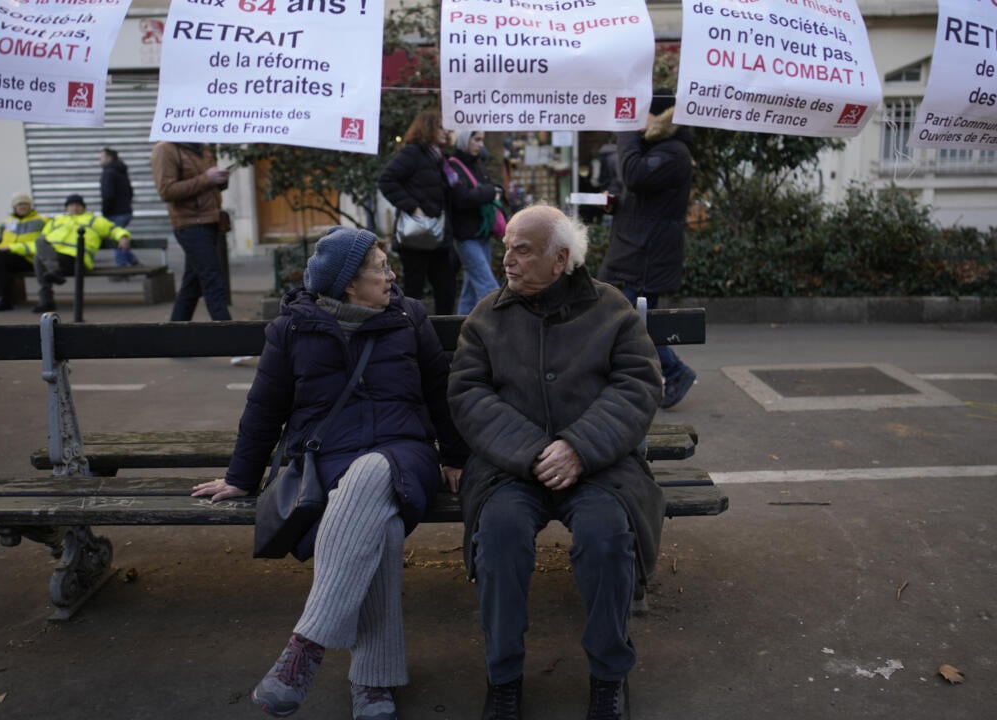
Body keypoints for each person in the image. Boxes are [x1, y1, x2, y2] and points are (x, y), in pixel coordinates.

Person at [192, 226, 467, 720]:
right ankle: (372, 682)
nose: (391, 276)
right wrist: (241, 475)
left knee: (371, 474)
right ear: (347, 285)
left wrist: (454, 455)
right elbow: (264, 407)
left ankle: (307, 644)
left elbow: (438, 388)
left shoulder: (408, 317)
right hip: (327, 458)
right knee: (377, 526)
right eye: (380, 269)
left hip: (404, 452)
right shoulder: (293, 327)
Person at [448, 206, 664, 720]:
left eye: (522, 249)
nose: (508, 260)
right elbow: (467, 393)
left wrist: (579, 447)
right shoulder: (487, 316)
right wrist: (531, 451)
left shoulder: (611, 310)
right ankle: (503, 677)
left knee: (607, 535)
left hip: (600, 466)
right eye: (507, 249)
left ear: (560, 259)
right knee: (498, 535)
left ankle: (609, 675)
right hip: (508, 468)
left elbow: (638, 385)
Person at [598, 90, 699, 409]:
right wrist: (614, 201)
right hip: (633, 252)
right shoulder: (654, 149)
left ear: (659, 117)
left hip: (646, 256)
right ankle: (656, 376)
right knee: (631, 321)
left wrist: (626, 130)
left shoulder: (674, 152)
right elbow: (631, 184)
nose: (634, 120)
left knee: (628, 322)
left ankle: (673, 371)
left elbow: (634, 174)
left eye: (640, 114)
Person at [379, 108, 456, 315]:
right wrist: (414, 208)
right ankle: (410, 331)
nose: (445, 131)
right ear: (428, 128)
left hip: (439, 234)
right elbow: (387, 180)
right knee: (414, 288)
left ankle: (443, 336)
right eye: (440, 126)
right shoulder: (413, 153)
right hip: (417, 234)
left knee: (446, 288)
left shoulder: (441, 158)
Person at [150, 141, 232, 321]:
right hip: (189, 223)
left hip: (211, 219)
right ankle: (229, 336)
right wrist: (206, 179)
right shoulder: (165, 149)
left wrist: (220, 180)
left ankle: (175, 334)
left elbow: (208, 184)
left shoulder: (203, 146)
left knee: (192, 284)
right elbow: (166, 190)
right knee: (212, 279)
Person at [31, 194, 130, 313]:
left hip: (77, 259)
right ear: (66, 208)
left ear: (84, 207)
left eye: (78, 205)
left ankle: (47, 297)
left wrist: (123, 237)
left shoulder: (94, 220)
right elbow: (43, 238)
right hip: (54, 258)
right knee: (39, 246)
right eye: (71, 205)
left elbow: (114, 229)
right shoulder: (56, 220)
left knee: (39, 259)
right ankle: (48, 294)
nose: (75, 208)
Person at [447, 129, 503, 314]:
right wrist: (490, 191)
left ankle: (460, 331)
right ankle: (504, 326)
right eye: (476, 139)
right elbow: (461, 197)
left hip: (481, 232)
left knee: (470, 292)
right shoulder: (452, 166)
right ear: (464, 139)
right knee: (489, 288)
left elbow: (485, 187)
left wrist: (492, 189)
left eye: (482, 140)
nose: (480, 144)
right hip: (465, 235)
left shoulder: (477, 162)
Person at [99, 147, 138, 269]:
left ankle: (122, 268)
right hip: (125, 211)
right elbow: (131, 192)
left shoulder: (109, 173)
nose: (99, 160)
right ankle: (133, 261)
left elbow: (108, 195)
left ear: (109, 158)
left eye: (101, 157)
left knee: (116, 241)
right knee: (120, 238)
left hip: (115, 213)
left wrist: (105, 212)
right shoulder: (121, 171)